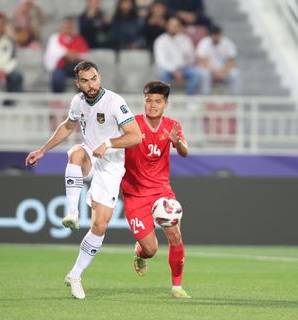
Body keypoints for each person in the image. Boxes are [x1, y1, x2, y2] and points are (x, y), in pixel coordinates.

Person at [25, 61, 142, 300]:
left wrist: (108, 143)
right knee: (75, 153)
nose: (91, 84)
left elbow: (136, 136)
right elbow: (68, 126)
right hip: (90, 154)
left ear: (100, 77)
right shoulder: (77, 102)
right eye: (86, 81)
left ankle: (75, 274)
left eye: (94, 78)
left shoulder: (114, 102)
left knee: (100, 225)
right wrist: (44, 150)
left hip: (111, 166)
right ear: (77, 83)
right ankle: (72, 213)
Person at [120, 80, 190, 299]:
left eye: (158, 101)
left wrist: (177, 143)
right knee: (151, 249)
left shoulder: (173, 126)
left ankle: (177, 287)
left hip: (161, 190)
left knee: (175, 235)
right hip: (134, 193)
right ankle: (140, 253)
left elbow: (185, 151)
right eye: (148, 100)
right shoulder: (132, 124)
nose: (152, 105)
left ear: (165, 104)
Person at [154, 17, 207, 95]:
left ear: (179, 27)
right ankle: (167, 98)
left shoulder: (185, 39)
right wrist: (174, 70)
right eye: (172, 25)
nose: (174, 28)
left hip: (183, 68)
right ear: (167, 26)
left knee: (197, 74)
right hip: (167, 69)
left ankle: (189, 97)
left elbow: (191, 57)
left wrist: (187, 65)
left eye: (176, 26)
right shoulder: (161, 40)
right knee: (162, 74)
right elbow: (161, 61)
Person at [44, 17, 89, 93]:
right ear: (62, 27)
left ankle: (83, 100)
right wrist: (66, 53)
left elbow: (85, 55)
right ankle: (57, 100)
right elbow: (51, 54)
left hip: (76, 66)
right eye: (66, 27)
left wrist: (75, 56)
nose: (68, 29)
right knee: (57, 77)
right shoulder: (55, 38)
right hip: (61, 66)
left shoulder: (79, 39)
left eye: (70, 27)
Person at [196, 24, 241, 95]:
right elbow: (203, 62)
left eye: (217, 35)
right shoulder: (204, 43)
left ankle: (235, 99)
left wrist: (222, 71)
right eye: (214, 36)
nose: (216, 38)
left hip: (224, 71)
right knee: (204, 74)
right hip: (209, 70)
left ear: (221, 34)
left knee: (235, 74)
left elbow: (230, 62)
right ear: (210, 35)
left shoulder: (228, 43)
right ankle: (205, 98)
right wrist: (215, 71)